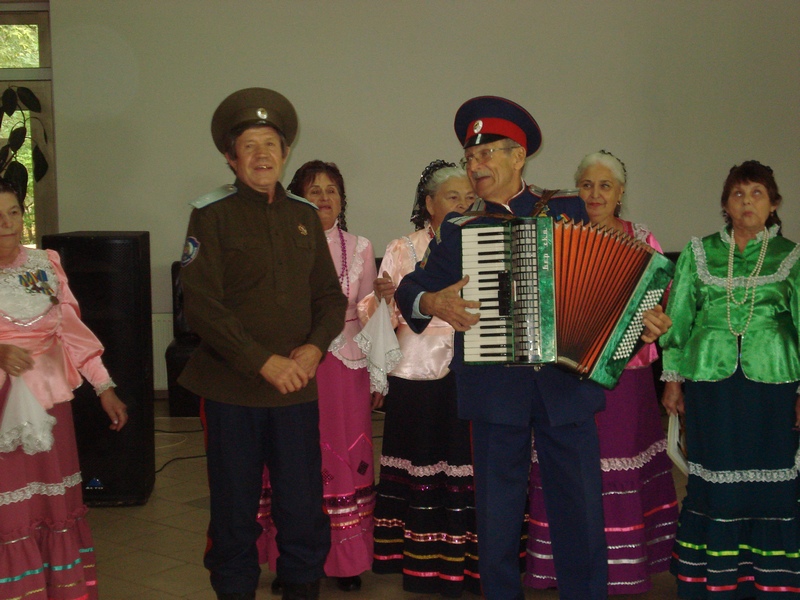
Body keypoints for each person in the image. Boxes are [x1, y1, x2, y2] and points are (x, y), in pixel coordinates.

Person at [395, 96, 671, 600]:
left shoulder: (566, 209)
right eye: (470, 158)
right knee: (497, 516)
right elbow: (410, 289)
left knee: (580, 510)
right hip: (494, 391)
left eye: (486, 155)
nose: (476, 166)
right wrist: (432, 301)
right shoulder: (461, 228)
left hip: (566, 387)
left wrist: (642, 323)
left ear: (518, 157)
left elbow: (613, 284)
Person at [178, 88, 347, 600]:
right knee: (234, 512)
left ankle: (301, 588)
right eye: (249, 146)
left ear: (285, 152)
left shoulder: (303, 215)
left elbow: (329, 298)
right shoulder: (211, 215)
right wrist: (262, 361)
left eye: (270, 144)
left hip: (295, 390)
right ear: (231, 158)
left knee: (302, 508)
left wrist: (314, 349)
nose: (261, 155)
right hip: (232, 391)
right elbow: (201, 305)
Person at [525, 150, 678, 595]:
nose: (595, 194)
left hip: (625, 376)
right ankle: (564, 568)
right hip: (565, 375)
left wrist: (656, 323)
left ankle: (623, 568)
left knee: (618, 460)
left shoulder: (642, 237)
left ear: (620, 192)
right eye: (587, 185)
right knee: (568, 467)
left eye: (605, 186)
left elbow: (660, 303)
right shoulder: (558, 234)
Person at [660, 160, 800, 598]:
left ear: (773, 204)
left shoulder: (792, 256)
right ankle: (714, 579)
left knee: (774, 476)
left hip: (774, 383)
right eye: (738, 194)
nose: (747, 202)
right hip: (711, 382)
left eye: (757, 193)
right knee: (714, 475)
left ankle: (771, 580)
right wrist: (672, 380)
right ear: (725, 204)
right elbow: (678, 319)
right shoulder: (698, 252)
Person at [0, 178, 128, 600]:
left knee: (51, 504)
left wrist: (104, 386)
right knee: (10, 508)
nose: (6, 223)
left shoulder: (44, 265)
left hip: (51, 403)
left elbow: (71, 333)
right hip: (3, 410)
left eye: (13, 212)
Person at [359, 160, 482, 596]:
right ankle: (418, 560)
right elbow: (376, 317)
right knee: (420, 460)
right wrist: (385, 300)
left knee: (465, 462)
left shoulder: (483, 241)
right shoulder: (402, 248)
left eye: (470, 198)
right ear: (429, 204)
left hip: (471, 366)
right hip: (415, 368)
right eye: (453, 197)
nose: (463, 205)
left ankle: (468, 561)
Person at [257, 160, 377, 593]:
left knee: (345, 455)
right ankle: (290, 561)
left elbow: (369, 315)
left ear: (342, 199)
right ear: (297, 199)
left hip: (346, 367)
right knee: (292, 459)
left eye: (332, 190)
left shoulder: (361, 247)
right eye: (314, 190)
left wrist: (378, 373)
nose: (324, 197)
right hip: (294, 366)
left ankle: (346, 561)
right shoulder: (281, 244)